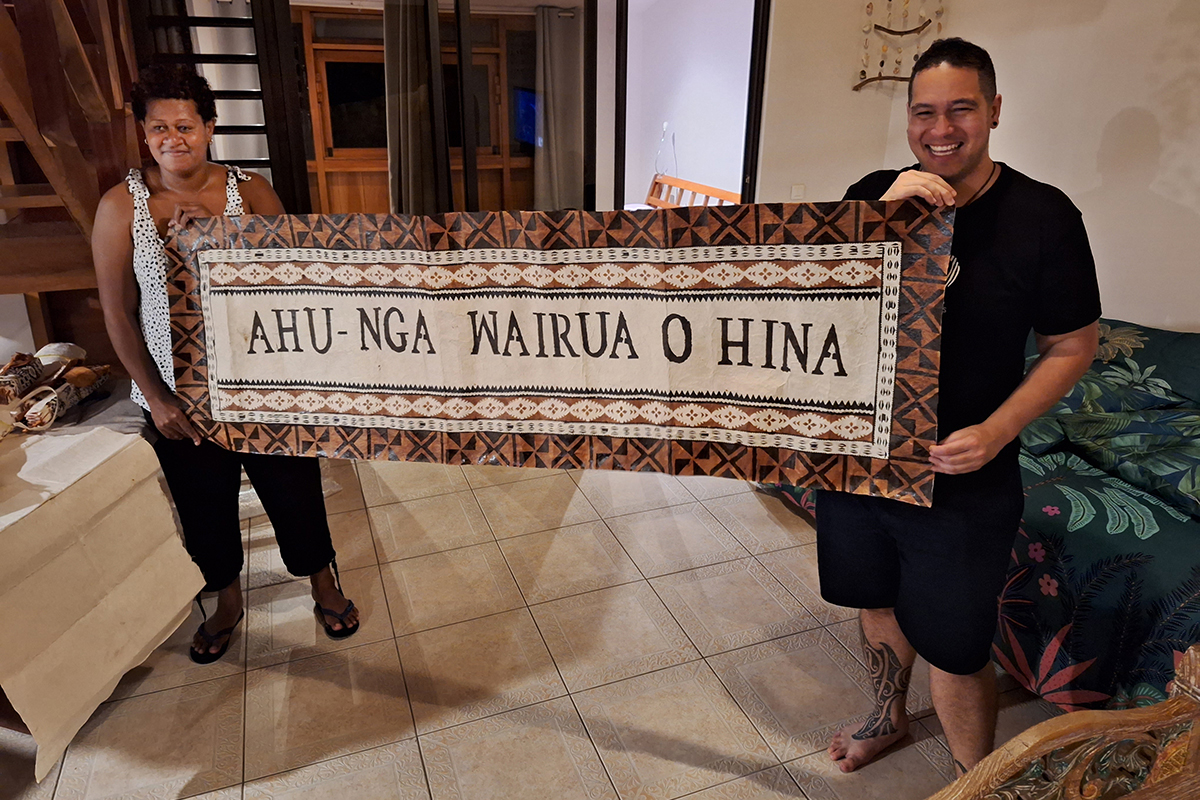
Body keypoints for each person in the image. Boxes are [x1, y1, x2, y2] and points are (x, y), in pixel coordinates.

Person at [817, 38, 1101, 775]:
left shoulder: (1044, 217)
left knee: (954, 640)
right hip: (863, 456)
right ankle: (887, 719)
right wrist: (878, 220)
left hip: (965, 474)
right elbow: (822, 312)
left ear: (995, 111)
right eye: (925, 113)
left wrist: (998, 430)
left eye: (960, 109)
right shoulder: (875, 191)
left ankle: (975, 781)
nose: (941, 128)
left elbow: (1072, 345)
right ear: (908, 121)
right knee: (874, 597)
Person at [93, 65, 360, 664]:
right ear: (143, 133)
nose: (172, 138)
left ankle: (323, 583)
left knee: (295, 490)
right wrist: (156, 397)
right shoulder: (121, 207)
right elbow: (118, 313)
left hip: (261, 383)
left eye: (184, 125)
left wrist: (224, 237)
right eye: (158, 127)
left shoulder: (251, 193)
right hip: (178, 397)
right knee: (203, 505)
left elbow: (295, 282)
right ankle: (228, 602)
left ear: (210, 127)